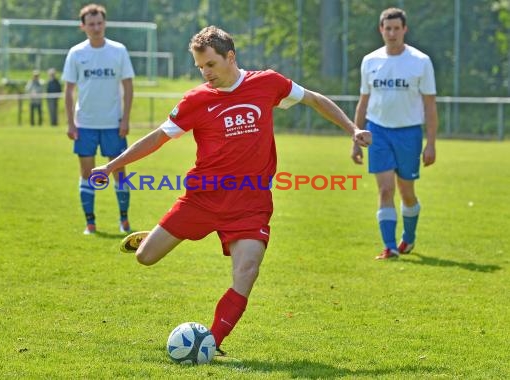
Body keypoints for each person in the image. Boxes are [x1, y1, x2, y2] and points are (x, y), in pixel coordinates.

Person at [92, 26, 371, 354]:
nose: (205, 73)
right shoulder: (196, 100)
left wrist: (352, 129)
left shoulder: (267, 83)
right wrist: (111, 166)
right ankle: (154, 236)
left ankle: (211, 343)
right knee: (145, 258)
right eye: (199, 67)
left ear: (230, 57)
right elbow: (157, 137)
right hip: (203, 197)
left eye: (210, 65)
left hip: (250, 202)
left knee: (247, 271)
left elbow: (314, 99)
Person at [351, 8, 438, 260]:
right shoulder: (370, 61)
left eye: (396, 28)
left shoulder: (420, 61)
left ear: (404, 30)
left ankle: (408, 239)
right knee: (385, 189)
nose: (391, 33)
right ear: (381, 30)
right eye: (387, 28)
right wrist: (356, 138)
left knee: (406, 191)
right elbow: (363, 101)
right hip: (377, 131)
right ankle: (389, 247)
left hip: (409, 134)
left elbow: (430, 105)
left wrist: (430, 143)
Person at [62, 3, 135, 235]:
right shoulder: (76, 53)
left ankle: (124, 220)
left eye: (100, 23)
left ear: (105, 24)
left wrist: (125, 119)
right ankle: (90, 223)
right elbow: (69, 90)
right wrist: (71, 123)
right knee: (87, 173)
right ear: (83, 26)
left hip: (113, 124)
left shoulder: (118, 50)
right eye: (91, 24)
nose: (96, 28)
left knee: (119, 173)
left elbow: (128, 85)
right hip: (85, 125)